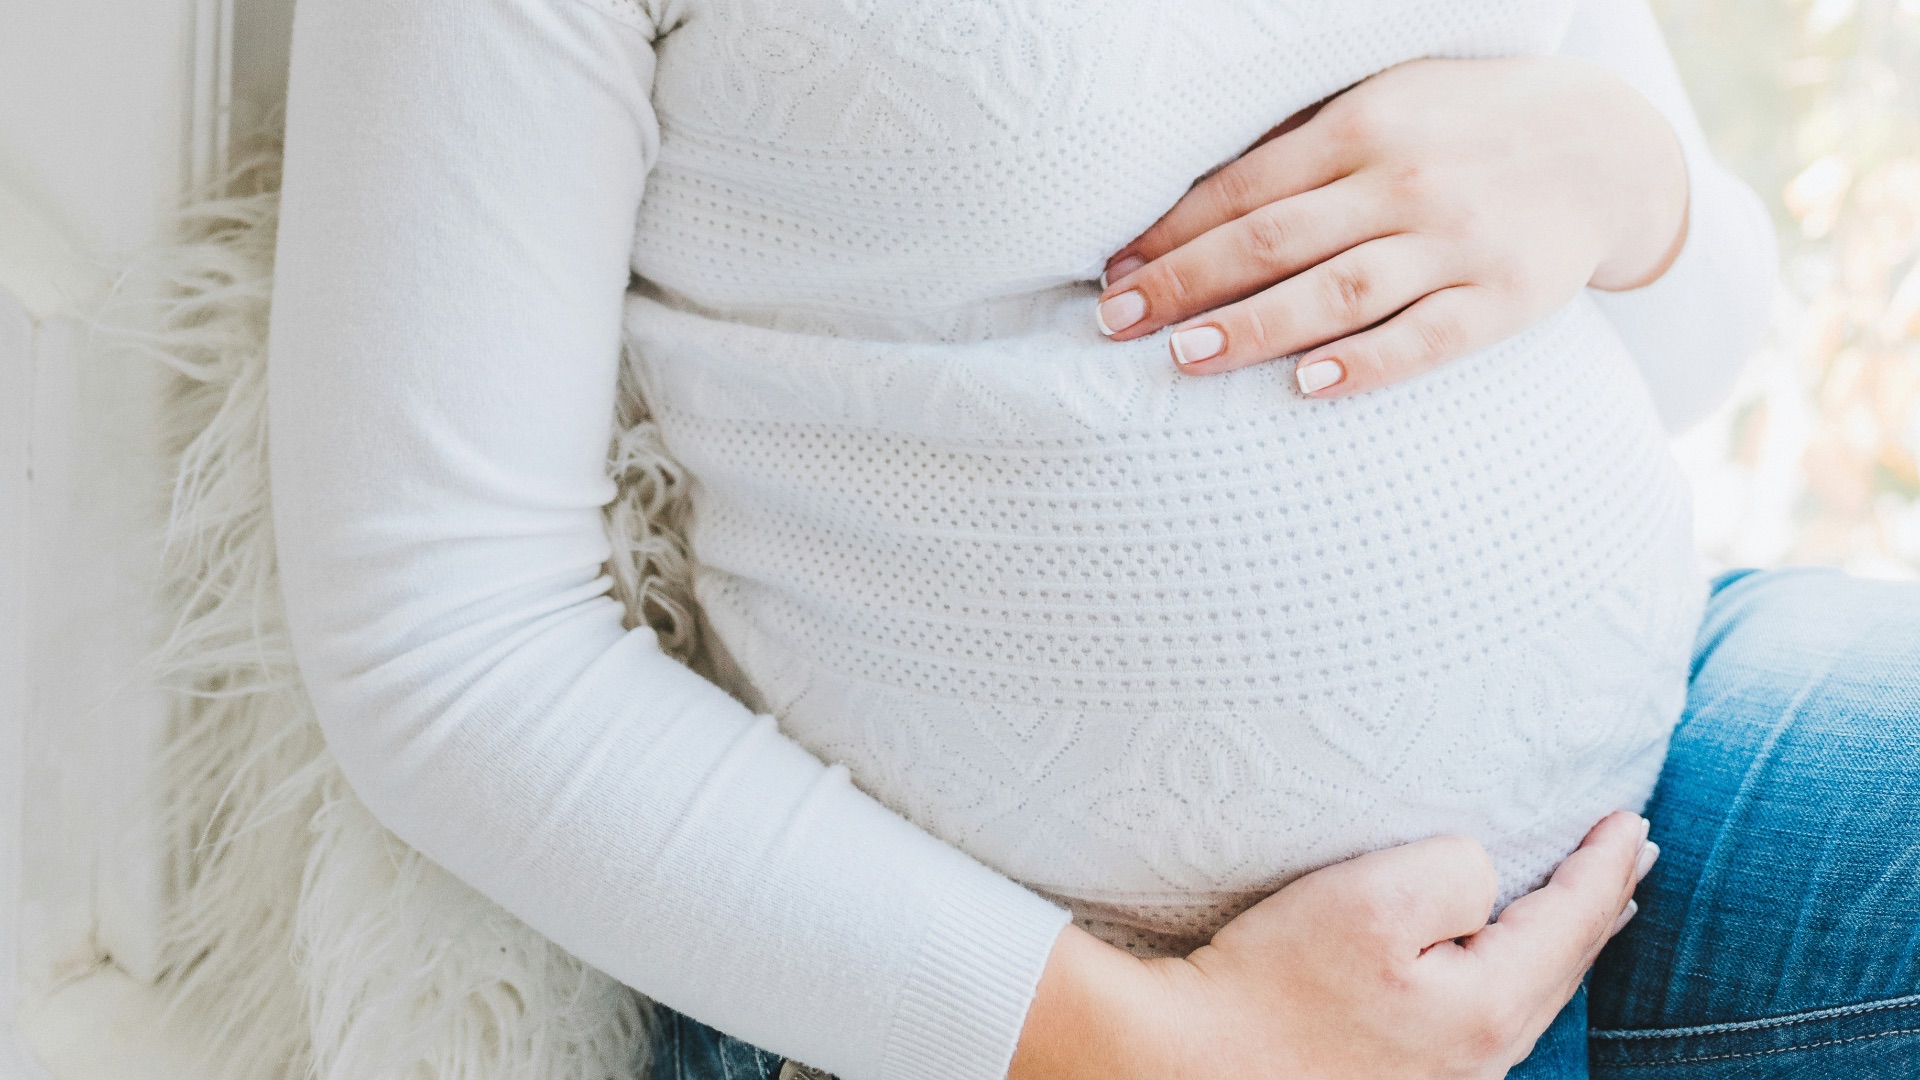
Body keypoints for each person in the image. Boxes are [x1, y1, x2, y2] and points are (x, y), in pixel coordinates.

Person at [264, 0, 1920, 1076]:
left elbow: (1689, 350)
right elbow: (443, 642)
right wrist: (1167, 1045)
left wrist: (1630, 178)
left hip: (1649, 787)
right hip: (1022, 997)